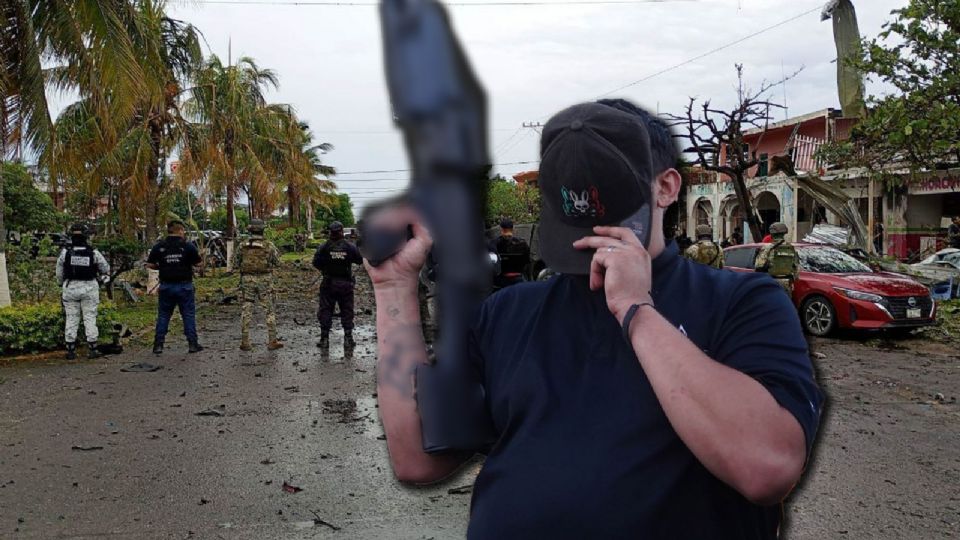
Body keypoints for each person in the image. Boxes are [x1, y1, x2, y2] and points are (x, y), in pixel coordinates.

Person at [370, 100, 822, 538]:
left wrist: (636, 311)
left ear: (666, 187)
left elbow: (767, 467)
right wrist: (393, 288)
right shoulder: (508, 312)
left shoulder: (742, 302)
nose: (587, 242)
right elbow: (418, 457)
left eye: (606, 210)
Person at [147, 220, 204, 354]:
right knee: (188, 315)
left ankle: (158, 345)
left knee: (163, 315)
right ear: (179, 230)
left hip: (166, 286)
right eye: (183, 231)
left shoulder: (159, 246)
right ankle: (192, 344)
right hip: (184, 286)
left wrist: (162, 266)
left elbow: (150, 264)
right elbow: (199, 264)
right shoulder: (188, 246)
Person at [56, 223, 110, 359]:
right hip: (89, 287)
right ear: (86, 236)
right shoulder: (93, 252)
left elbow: (59, 273)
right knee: (90, 317)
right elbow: (105, 269)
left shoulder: (65, 252)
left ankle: (70, 350)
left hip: (71, 287)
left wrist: (62, 284)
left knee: (71, 317)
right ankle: (92, 348)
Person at [313, 221, 363, 349]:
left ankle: (324, 339)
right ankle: (348, 339)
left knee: (325, 310)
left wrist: (326, 268)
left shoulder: (324, 247)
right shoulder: (350, 247)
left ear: (331, 232)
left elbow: (316, 263)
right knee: (347, 310)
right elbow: (359, 260)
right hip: (345, 284)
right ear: (341, 231)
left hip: (328, 283)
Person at [235, 220, 283, 351]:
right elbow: (278, 262)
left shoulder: (242, 245)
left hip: (247, 279)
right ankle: (272, 341)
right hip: (265, 280)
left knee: (247, 308)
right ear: (263, 230)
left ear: (250, 230)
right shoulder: (269, 245)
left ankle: (245, 341)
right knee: (269, 310)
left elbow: (235, 262)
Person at [754, 222, 800, 296]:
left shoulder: (768, 247)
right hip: (787, 284)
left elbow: (758, 265)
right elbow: (797, 269)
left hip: (771, 283)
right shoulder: (791, 248)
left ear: (772, 234)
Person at [490, 218, 531, 288]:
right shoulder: (522, 243)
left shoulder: (494, 243)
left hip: (501, 280)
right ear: (512, 229)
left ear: (501, 229)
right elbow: (527, 262)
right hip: (518, 278)